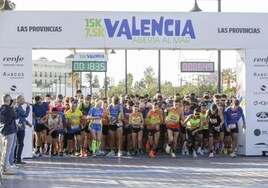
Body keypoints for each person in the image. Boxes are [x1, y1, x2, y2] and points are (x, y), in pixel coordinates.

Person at [0, 94, 19, 175]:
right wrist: (14, 109)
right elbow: (17, 116)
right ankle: (5, 168)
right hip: (9, 131)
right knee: (7, 150)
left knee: (4, 150)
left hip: (3, 131)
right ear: (8, 100)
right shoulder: (9, 109)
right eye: (10, 100)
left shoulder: (1, 108)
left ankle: (4, 166)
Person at [14, 95, 31, 164]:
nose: (24, 100)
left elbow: (21, 118)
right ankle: (17, 159)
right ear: (18, 100)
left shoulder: (19, 107)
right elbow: (25, 114)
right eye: (22, 99)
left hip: (20, 126)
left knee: (17, 144)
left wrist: (27, 123)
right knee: (20, 144)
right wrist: (28, 107)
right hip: (19, 128)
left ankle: (15, 159)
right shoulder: (18, 107)